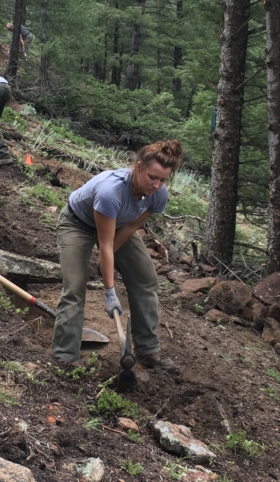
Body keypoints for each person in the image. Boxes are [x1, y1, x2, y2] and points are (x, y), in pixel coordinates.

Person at [52, 139, 183, 372]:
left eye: (163, 180)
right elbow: (104, 244)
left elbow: (130, 228)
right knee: (75, 287)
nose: (157, 185)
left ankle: (147, 348)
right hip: (78, 224)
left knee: (146, 279)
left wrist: (106, 263)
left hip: (119, 227)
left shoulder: (158, 195)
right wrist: (109, 291)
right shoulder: (110, 191)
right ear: (138, 166)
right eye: (153, 177)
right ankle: (65, 356)